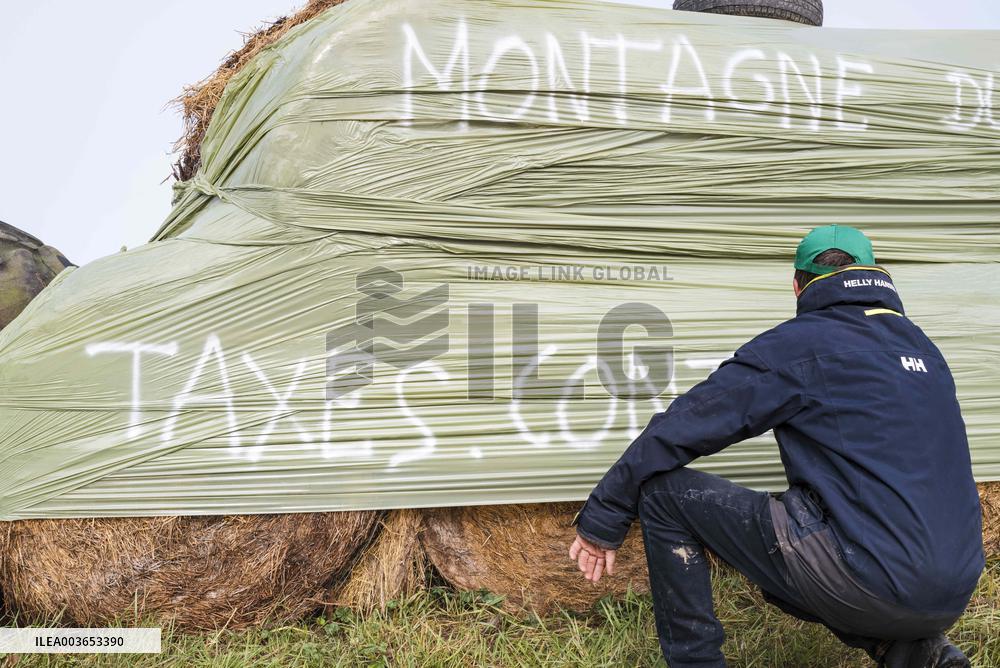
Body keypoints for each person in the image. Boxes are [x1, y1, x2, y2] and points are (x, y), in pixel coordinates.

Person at [568, 225, 984, 668]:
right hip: (953, 587)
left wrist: (605, 513)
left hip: (870, 578)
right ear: (875, 274)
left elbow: (685, 425)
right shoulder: (924, 348)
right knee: (835, 527)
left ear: (797, 286)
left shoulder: (801, 344)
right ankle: (918, 652)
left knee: (666, 495)